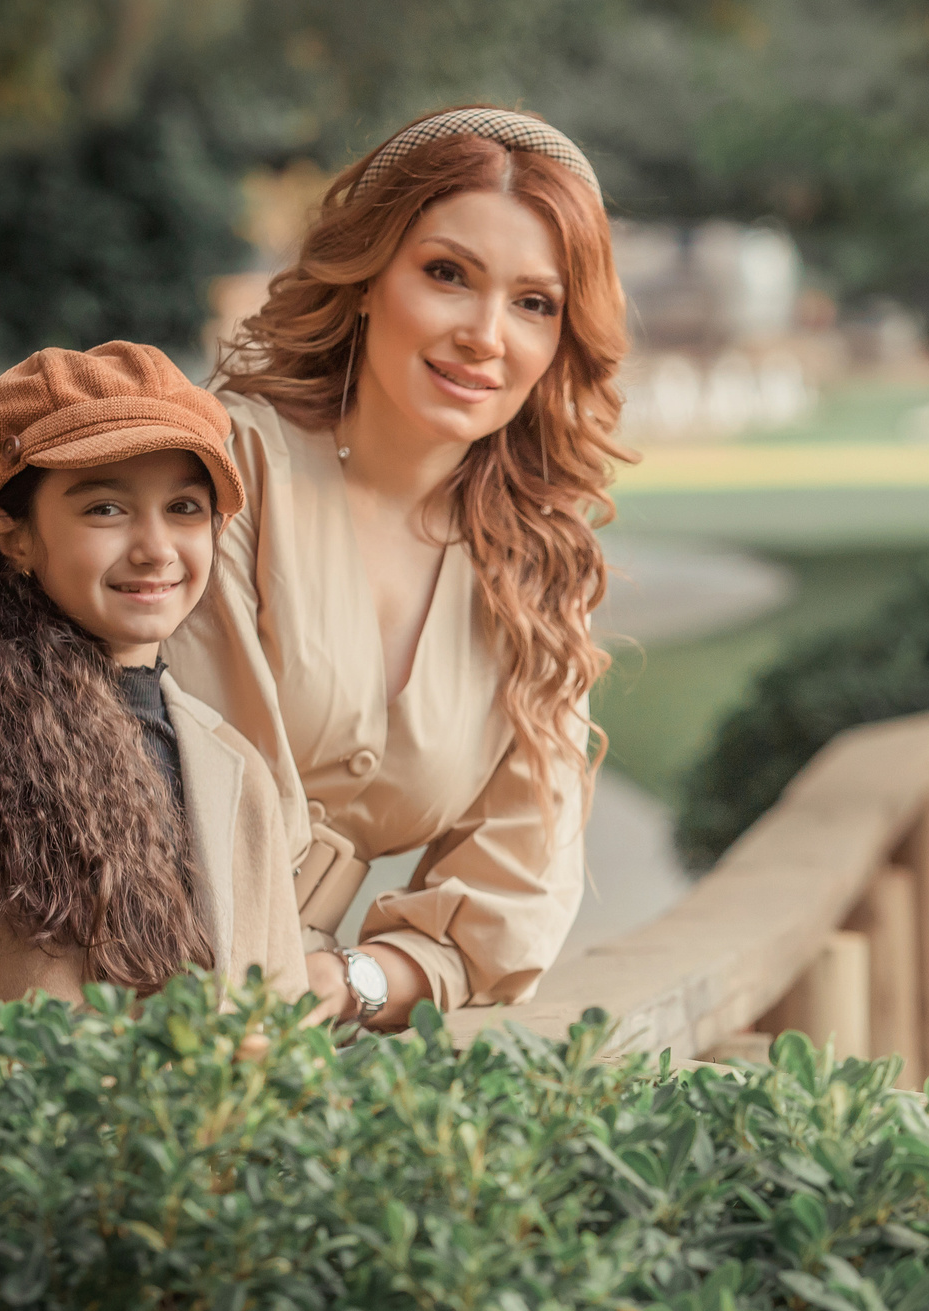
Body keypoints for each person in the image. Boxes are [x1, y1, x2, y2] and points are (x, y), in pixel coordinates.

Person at [164, 106, 629, 1031]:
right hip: (94, 988)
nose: (485, 334)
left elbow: (520, 891)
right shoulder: (222, 470)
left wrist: (358, 981)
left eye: (534, 302)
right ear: (371, 276)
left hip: (275, 1031)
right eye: (448, 275)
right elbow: (181, 788)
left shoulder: (535, 566)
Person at [0, 343, 307, 1042]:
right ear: (11, 534)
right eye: (106, 508)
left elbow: (280, 1038)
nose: (156, 547)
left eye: (184, 507)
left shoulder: (238, 772)